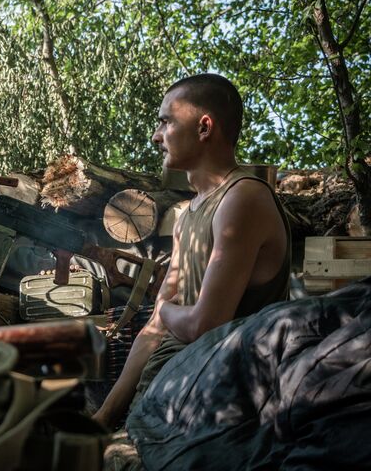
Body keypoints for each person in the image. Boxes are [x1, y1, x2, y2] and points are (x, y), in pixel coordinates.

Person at [93, 73, 291, 429]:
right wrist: (105, 415)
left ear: (204, 127)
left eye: (166, 122)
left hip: (215, 403)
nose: (156, 136)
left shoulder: (242, 198)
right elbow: (153, 329)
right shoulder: (187, 217)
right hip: (165, 392)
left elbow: (205, 325)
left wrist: (166, 310)